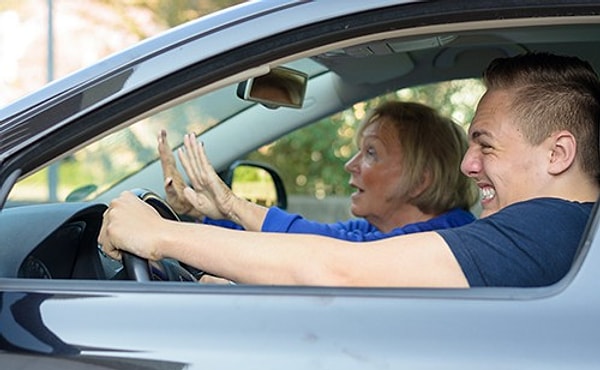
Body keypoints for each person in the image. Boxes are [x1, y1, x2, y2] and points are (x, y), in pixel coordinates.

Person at [99, 52, 600, 288]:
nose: (469, 165)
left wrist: (161, 237)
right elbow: (325, 247)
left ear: (558, 154)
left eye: (485, 147)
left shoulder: (546, 230)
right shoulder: (567, 235)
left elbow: (338, 265)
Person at [158, 101, 478, 242]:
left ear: (421, 181)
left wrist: (232, 206)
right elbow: (306, 243)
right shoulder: (378, 232)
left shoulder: (446, 240)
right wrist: (202, 213)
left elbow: (330, 253)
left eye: (370, 153)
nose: (350, 165)